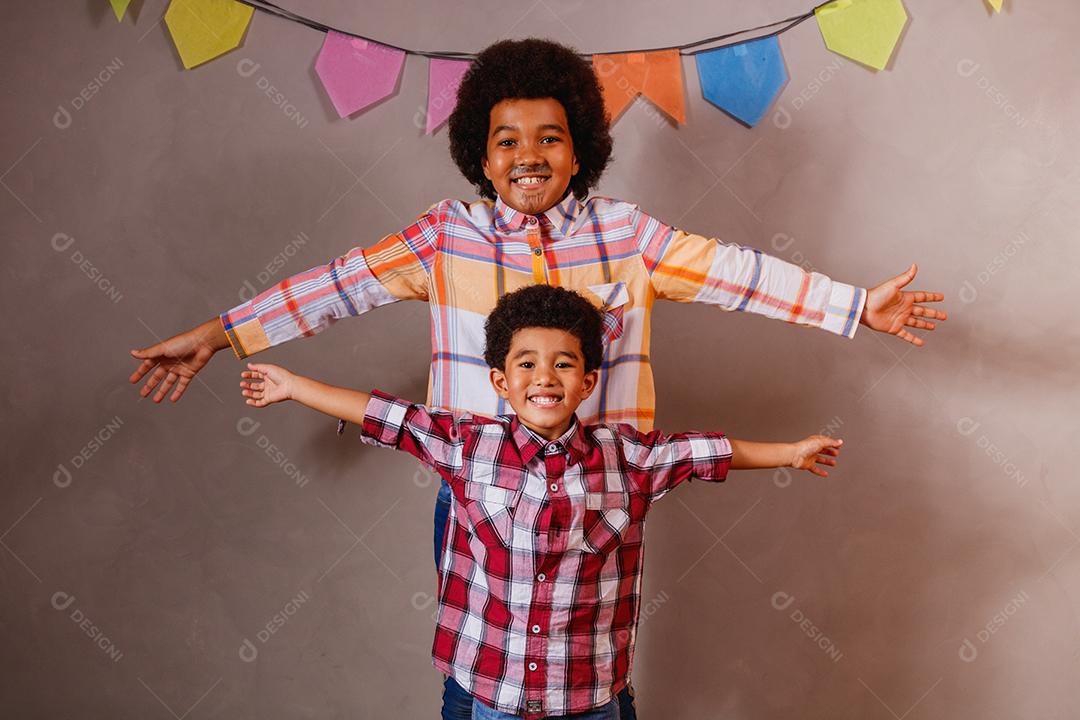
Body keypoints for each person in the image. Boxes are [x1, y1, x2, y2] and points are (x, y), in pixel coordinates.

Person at [129, 38, 944, 718]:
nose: (529, 156)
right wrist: (219, 335)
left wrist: (852, 306)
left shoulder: (627, 235)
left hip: (603, 492)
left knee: (589, 665)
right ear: (478, 156)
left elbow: (736, 274)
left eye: (550, 137)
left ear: (580, 147)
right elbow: (333, 286)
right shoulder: (443, 237)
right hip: (476, 490)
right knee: (482, 663)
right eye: (506, 140)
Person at [238, 284, 844, 720]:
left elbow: (709, 450)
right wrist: (293, 387)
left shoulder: (629, 458)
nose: (545, 376)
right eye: (526, 363)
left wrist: (790, 452)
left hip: (589, 698)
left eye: (563, 363)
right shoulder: (467, 445)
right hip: (489, 695)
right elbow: (386, 416)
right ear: (501, 381)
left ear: (587, 381)